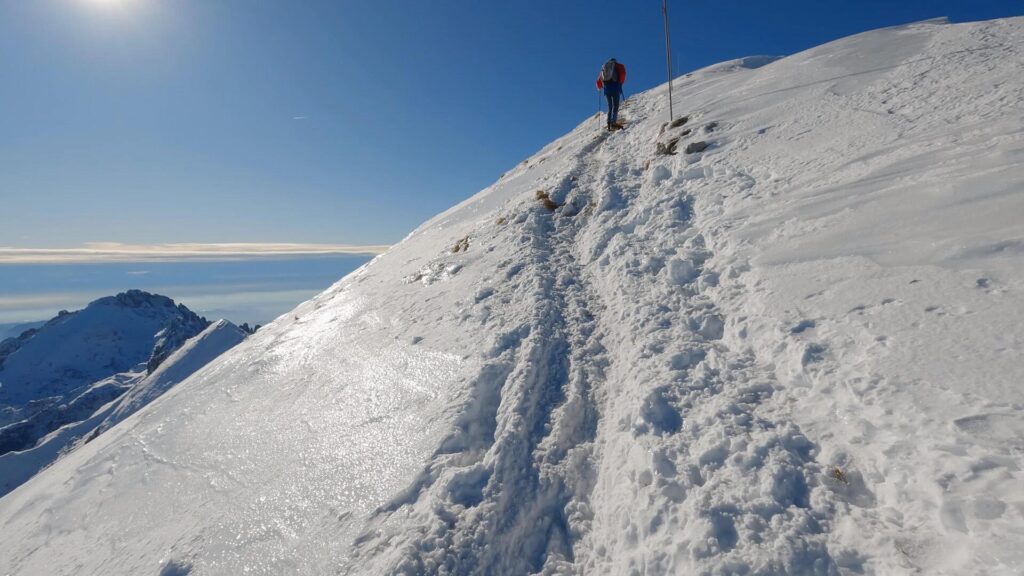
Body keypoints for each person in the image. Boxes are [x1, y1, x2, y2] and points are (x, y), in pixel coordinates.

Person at [596, 58, 626, 131]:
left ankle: (609, 123)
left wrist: (600, 87)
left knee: (610, 107)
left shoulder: (604, 68)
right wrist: (620, 83)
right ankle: (613, 123)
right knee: (615, 106)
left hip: (606, 90)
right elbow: (623, 74)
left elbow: (598, 81)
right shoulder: (617, 66)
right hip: (615, 88)